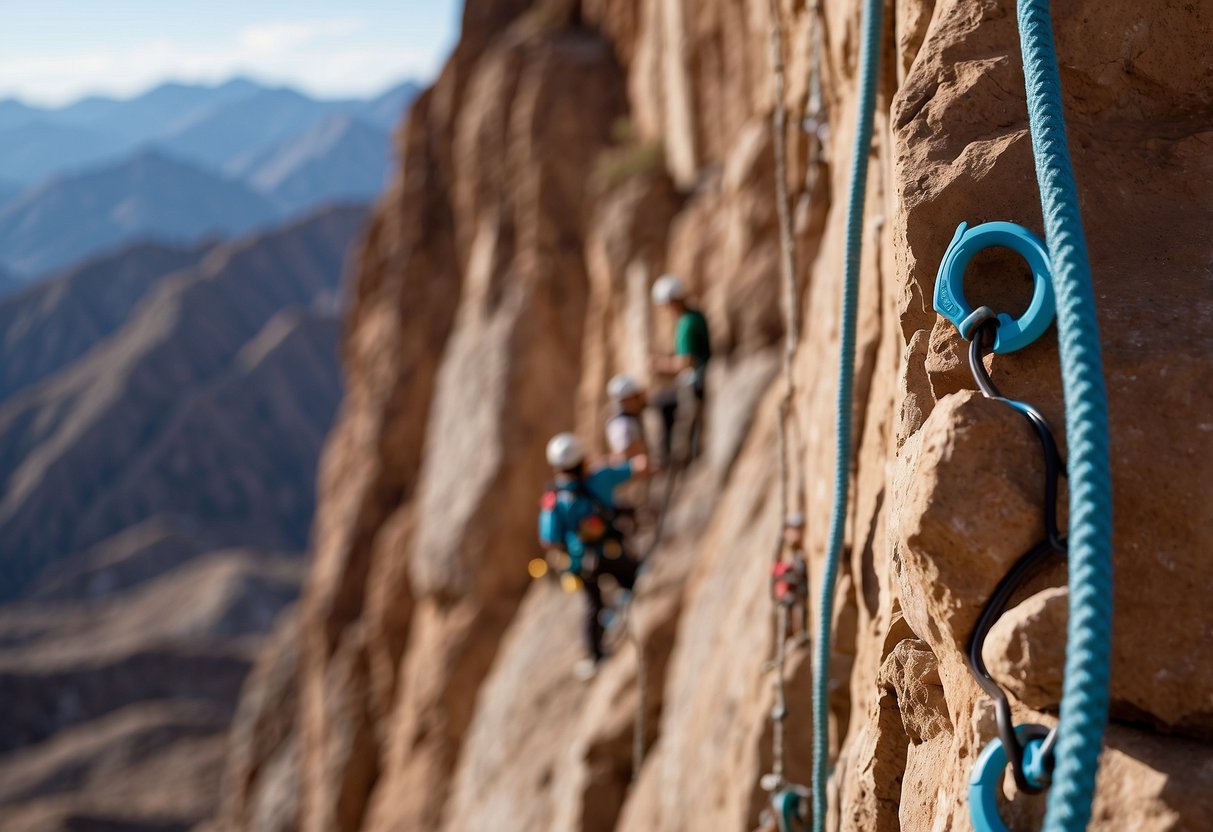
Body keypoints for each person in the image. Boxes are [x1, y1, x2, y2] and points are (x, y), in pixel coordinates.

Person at [538, 432, 648, 679]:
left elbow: (549, 541)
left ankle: (595, 655)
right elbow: (639, 467)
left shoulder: (553, 500)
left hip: (579, 562)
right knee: (636, 573)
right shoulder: (600, 478)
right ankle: (623, 606)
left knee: (592, 604)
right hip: (610, 552)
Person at [648, 273, 711, 463]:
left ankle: (679, 461)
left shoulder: (686, 324)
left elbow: (686, 362)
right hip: (701, 378)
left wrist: (659, 364)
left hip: (694, 381)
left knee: (680, 421)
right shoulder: (695, 316)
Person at [605, 374, 649, 462]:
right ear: (626, 400)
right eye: (636, 396)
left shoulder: (630, 420)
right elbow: (626, 456)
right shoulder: (623, 424)